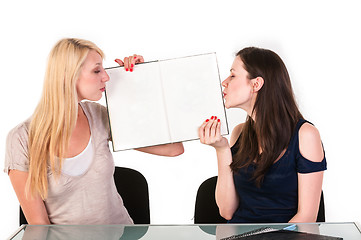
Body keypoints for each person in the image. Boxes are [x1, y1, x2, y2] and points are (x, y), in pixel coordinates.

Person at [4, 38, 184, 225]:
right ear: (68, 75)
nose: (106, 77)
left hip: (120, 237)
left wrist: (138, 85)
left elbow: (173, 148)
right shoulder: (21, 139)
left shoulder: (99, 115)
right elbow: (39, 226)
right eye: (97, 70)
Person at [198, 47, 326, 223]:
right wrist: (221, 149)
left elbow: (306, 218)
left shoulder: (306, 135)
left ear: (256, 84)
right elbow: (226, 212)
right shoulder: (239, 133)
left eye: (233, 75)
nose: (224, 82)